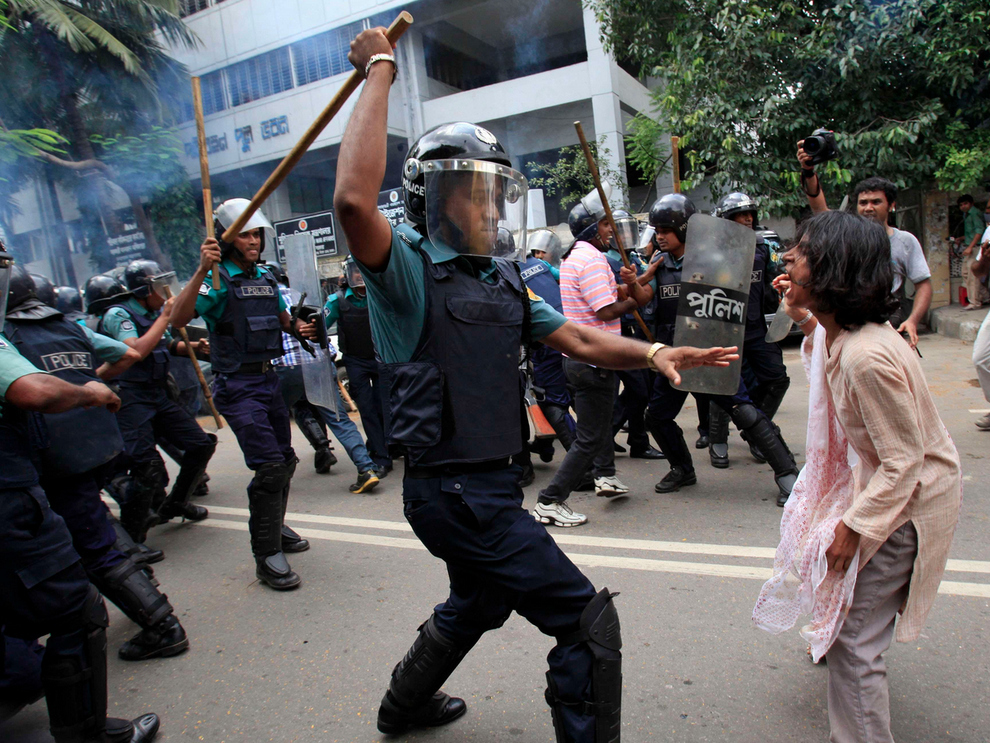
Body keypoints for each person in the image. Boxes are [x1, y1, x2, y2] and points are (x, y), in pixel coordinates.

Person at [333, 26, 736, 740]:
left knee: (479, 601)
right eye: (471, 190)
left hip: (486, 486)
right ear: (434, 198)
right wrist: (382, 72)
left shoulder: (505, 282)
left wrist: (652, 356)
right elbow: (353, 207)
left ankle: (402, 706)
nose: (490, 205)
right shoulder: (405, 272)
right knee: (586, 621)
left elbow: (578, 337)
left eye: (496, 190)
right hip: (455, 494)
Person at [777, 209, 961, 743]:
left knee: (854, 641)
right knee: (849, 633)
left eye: (803, 252)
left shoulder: (866, 355)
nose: (790, 257)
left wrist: (851, 526)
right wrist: (802, 314)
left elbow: (904, 460)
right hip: (892, 492)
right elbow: (822, 346)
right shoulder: (848, 334)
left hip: (907, 505)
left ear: (831, 271)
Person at [0, 252, 160, 742]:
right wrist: (88, 390)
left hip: (45, 475)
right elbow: (31, 391)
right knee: (76, 608)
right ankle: (87, 735)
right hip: (12, 496)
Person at [3, 266, 190, 662]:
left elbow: (32, 391)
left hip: (44, 461)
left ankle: (160, 625)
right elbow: (127, 354)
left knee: (89, 544)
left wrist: (87, 391)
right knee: (96, 523)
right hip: (94, 446)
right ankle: (142, 581)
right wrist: (92, 387)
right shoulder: (71, 328)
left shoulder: (7, 335)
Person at [170, 200, 319, 591]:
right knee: (269, 467)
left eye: (257, 234)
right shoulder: (217, 279)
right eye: (245, 233)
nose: (253, 241)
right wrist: (202, 268)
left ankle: (275, 527)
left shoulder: (266, 277)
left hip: (269, 382)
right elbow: (178, 319)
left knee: (284, 462)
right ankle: (266, 557)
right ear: (226, 237)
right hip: (238, 386)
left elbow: (283, 319)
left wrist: (301, 327)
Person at [639, 193, 799, 506]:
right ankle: (682, 469)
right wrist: (636, 280)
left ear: (685, 230)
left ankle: (788, 475)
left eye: (666, 230)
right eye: (656, 230)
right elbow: (640, 301)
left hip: (710, 354)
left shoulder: (714, 260)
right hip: (675, 357)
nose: (659, 236)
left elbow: (730, 304)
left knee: (745, 411)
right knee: (656, 417)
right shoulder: (658, 265)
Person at [532, 193, 644, 528]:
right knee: (590, 436)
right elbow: (605, 309)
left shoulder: (572, 258)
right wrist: (633, 301)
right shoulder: (592, 260)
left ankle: (605, 475)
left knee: (599, 424)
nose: (612, 230)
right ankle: (551, 500)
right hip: (594, 359)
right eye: (606, 224)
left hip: (582, 358)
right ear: (592, 228)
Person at [98, 260, 215, 544]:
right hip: (130, 396)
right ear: (143, 289)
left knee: (201, 444)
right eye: (159, 287)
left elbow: (162, 345)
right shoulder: (120, 314)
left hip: (157, 394)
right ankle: (133, 540)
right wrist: (165, 316)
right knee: (146, 467)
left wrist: (195, 348)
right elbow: (135, 350)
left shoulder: (151, 313)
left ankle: (176, 503)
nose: (166, 293)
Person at [798, 147, 932, 348]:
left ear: (891, 205)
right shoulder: (848, 236)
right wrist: (808, 172)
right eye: (863, 202)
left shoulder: (906, 241)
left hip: (889, 317)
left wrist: (912, 321)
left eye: (876, 202)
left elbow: (924, 285)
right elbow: (821, 210)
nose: (868, 207)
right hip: (849, 316)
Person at [269, 262, 380, 493]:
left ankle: (276, 471)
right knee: (339, 418)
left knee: (278, 416)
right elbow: (318, 325)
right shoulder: (298, 293)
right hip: (319, 361)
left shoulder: (264, 295)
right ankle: (366, 468)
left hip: (289, 367)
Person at [706, 192, 792, 468]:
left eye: (750, 214)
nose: (748, 219)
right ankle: (716, 438)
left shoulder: (762, 248)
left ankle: (755, 432)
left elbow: (773, 281)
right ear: (726, 219)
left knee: (777, 378)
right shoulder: (711, 252)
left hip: (755, 327)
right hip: (726, 330)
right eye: (741, 215)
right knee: (727, 385)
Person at [602, 209, 664, 461]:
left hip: (640, 330)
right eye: (620, 230)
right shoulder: (605, 260)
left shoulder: (635, 258)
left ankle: (637, 441)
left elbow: (645, 294)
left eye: (629, 229)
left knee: (643, 388)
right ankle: (604, 437)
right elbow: (617, 294)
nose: (626, 235)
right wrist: (646, 275)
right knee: (638, 389)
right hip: (619, 332)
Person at [325, 255, 392, 475]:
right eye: (355, 271)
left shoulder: (380, 295)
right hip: (355, 362)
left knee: (385, 407)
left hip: (381, 358)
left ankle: (383, 446)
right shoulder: (338, 301)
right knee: (367, 409)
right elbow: (320, 327)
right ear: (348, 274)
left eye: (362, 270)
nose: (359, 275)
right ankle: (382, 459)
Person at [956, 194, 989, 308]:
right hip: (971, 247)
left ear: (971, 203)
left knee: (972, 275)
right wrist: (961, 238)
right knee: (965, 273)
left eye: (965, 204)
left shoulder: (974, 213)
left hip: (976, 248)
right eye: (961, 205)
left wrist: (970, 246)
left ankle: (975, 302)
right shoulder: (967, 215)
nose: (963, 206)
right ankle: (984, 296)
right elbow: (972, 233)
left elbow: (979, 232)